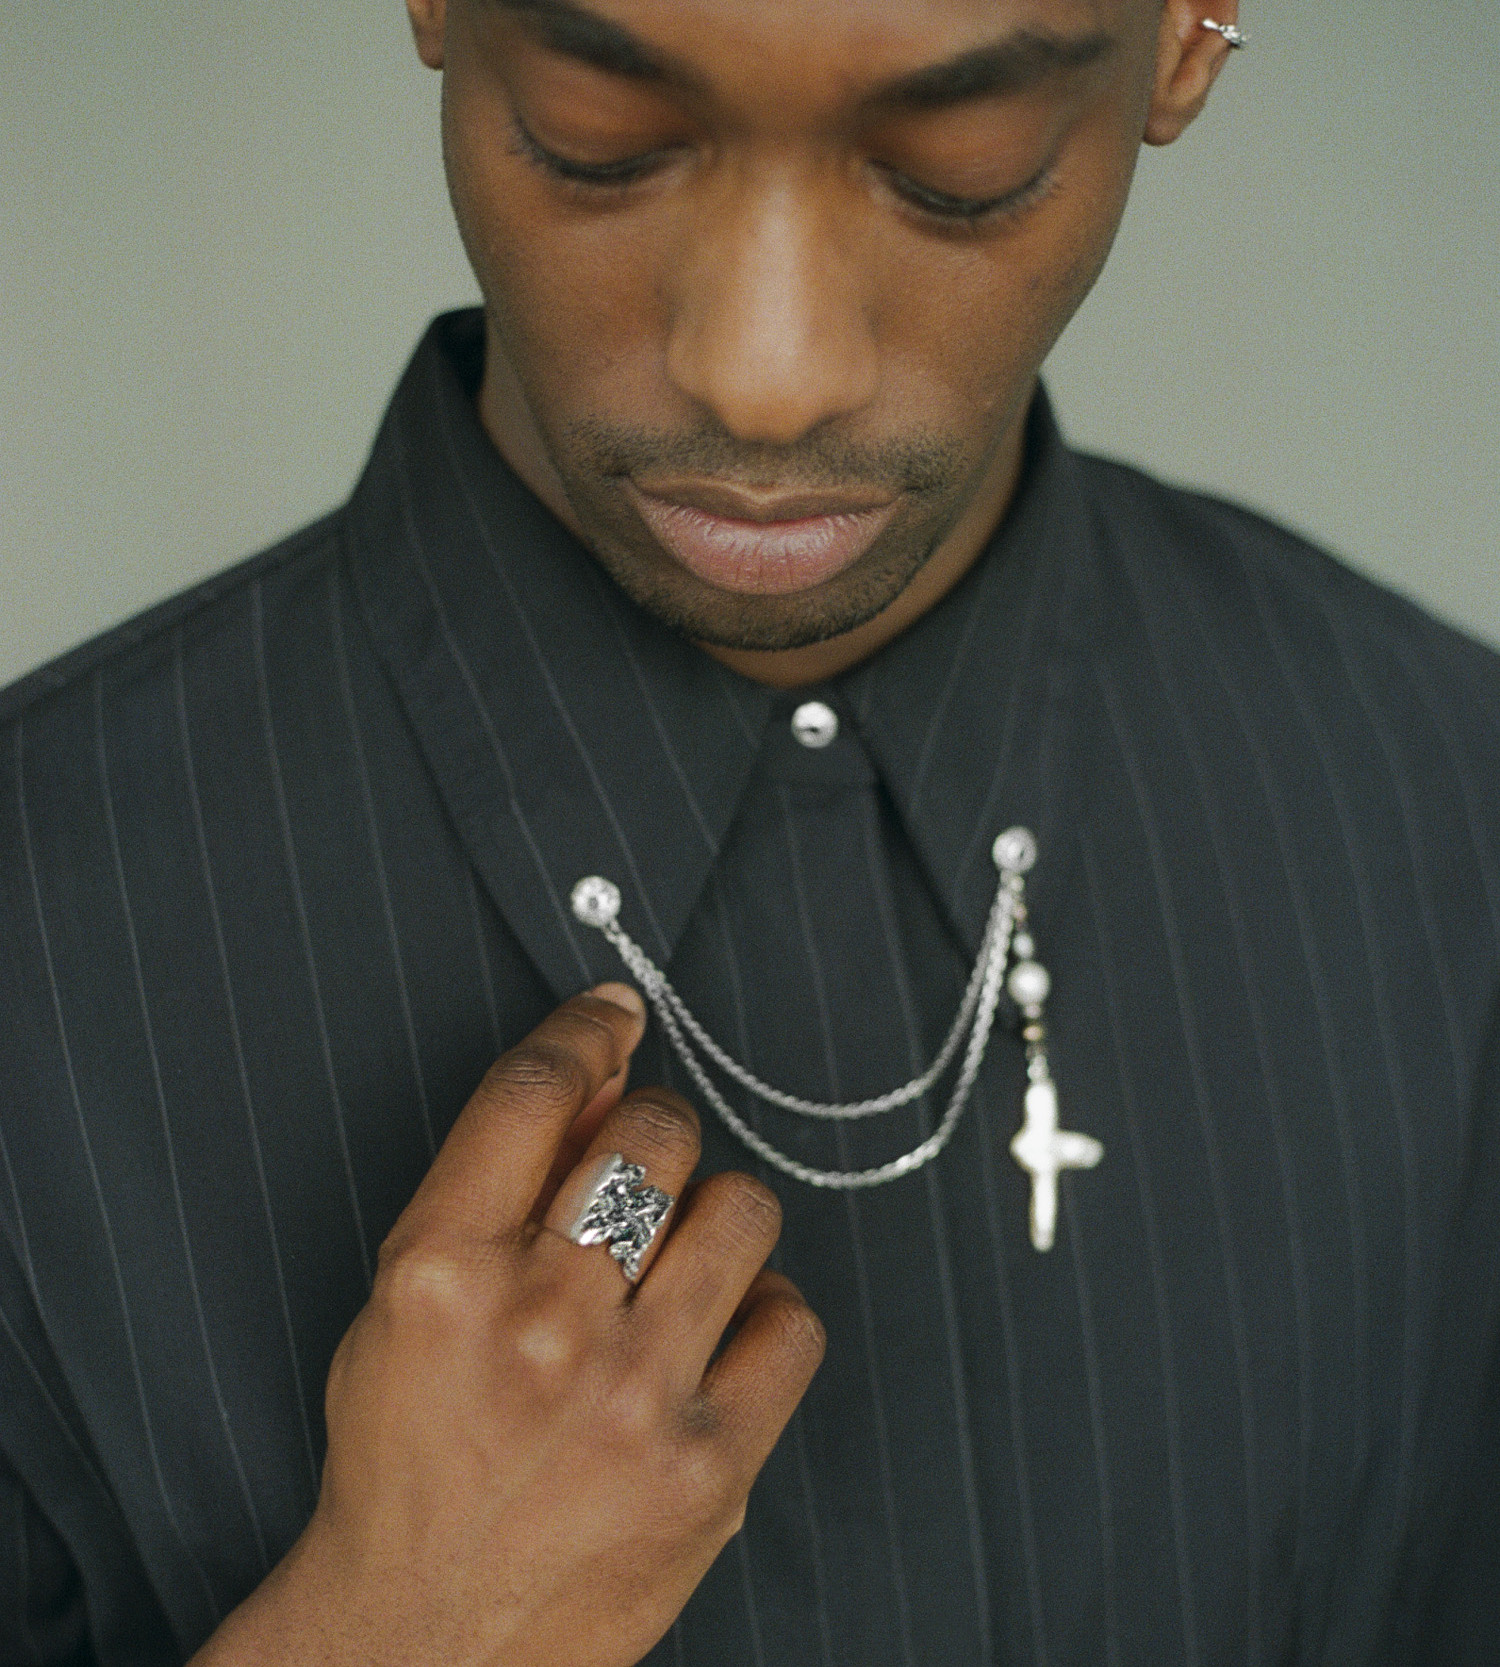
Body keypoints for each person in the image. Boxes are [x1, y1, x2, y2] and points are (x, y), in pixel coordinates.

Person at [1, 0, 1495, 1662]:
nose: (763, 378)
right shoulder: (39, 930)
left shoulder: (1452, 812)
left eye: (959, 169)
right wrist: (390, 1628)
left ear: (1187, 43)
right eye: (601, 139)